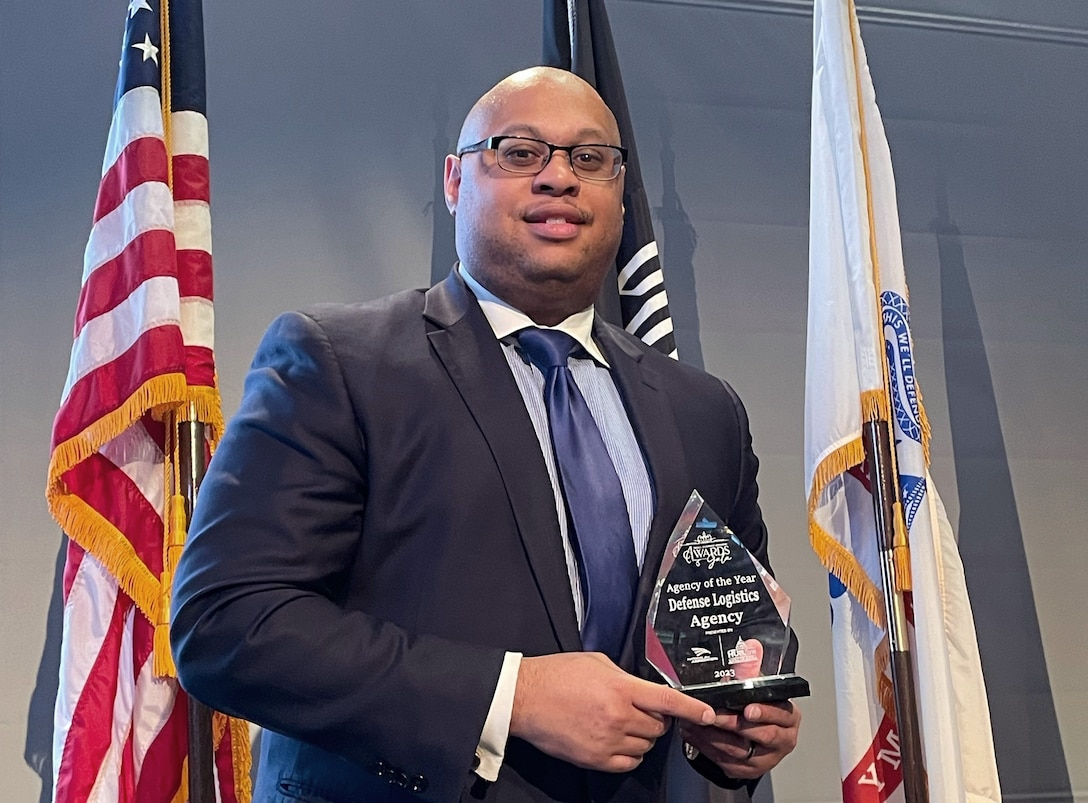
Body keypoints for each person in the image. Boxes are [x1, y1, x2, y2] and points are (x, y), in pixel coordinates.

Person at [171, 66, 800, 802]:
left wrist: (742, 731)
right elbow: (228, 623)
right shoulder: (337, 362)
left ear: (622, 196)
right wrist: (512, 695)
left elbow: (730, 652)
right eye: (519, 151)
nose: (558, 177)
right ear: (453, 179)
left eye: (589, 158)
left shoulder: (706, 411)